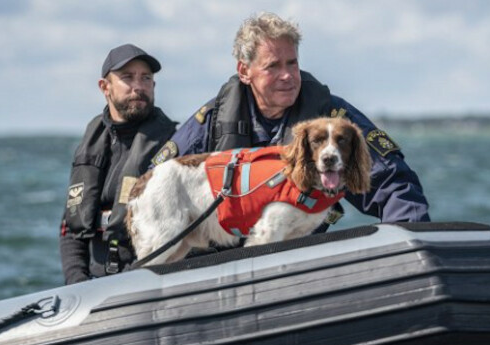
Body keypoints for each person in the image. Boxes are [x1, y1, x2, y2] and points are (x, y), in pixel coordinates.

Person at [168, 12, 430, 229]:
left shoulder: (332, 119)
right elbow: (162, 185)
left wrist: (412, 244)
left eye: (292, 64)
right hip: (222, 257)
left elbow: (392, 185)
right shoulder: (212, 122)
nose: (287, 76)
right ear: (244, 71)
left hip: (299, 255)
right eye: (273, 66)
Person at [59, 44, 177, 284]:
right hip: (95, 282)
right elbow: (70, 227)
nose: (138, 87)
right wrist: (77, 282)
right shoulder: (91, 144)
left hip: (151, 279)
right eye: (127, 77)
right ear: (105, 87)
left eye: (146, 78)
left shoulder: (174, 144)